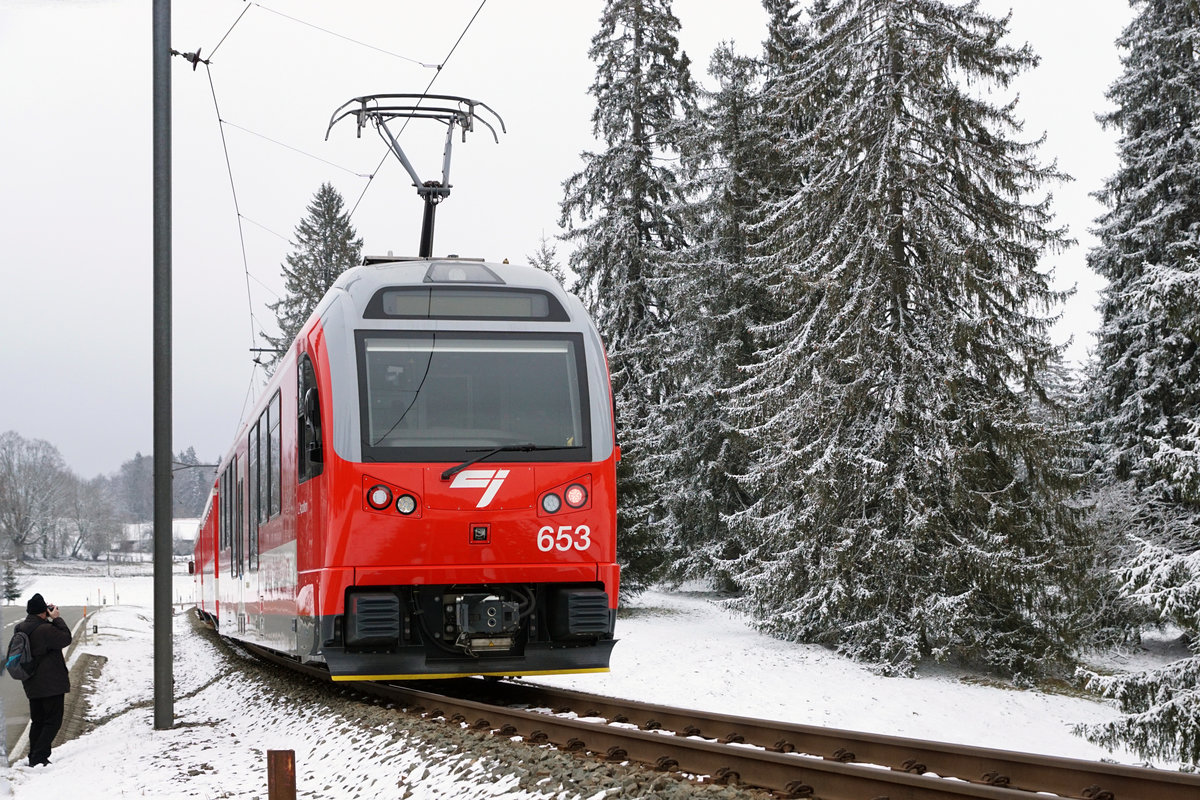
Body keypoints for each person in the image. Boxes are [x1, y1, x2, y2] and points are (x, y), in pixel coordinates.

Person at [16, 592, 71, 767]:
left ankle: (34, 756)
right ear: (43, 612)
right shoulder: (46, 629)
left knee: (38, 721)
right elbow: (66, 638)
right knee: (53, 721)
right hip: (51, 685)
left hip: (31, 682)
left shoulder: (21, 628)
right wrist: (56, 619)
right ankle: (39, 757)